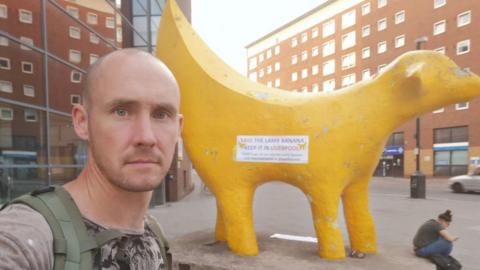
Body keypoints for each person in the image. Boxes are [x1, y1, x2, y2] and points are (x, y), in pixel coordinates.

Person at [0, 49, 183, 269]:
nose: (146, 137)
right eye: (121, 111)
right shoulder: (26, 236)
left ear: (178, 128)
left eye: (161, 114)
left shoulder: (153, 232)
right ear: (82, 122)